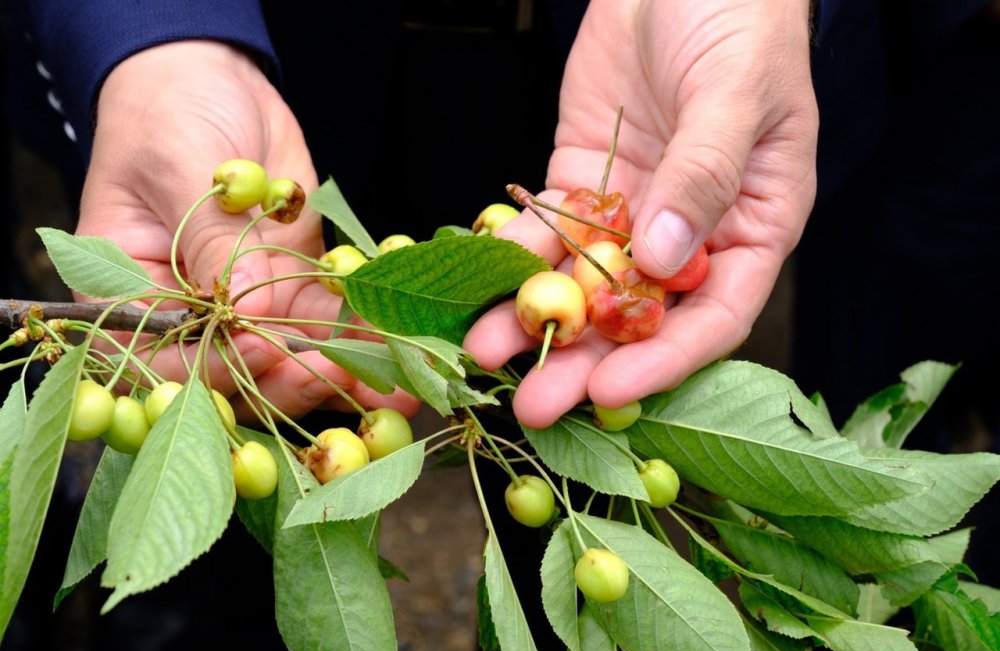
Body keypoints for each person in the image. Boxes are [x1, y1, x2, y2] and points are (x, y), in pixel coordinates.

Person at [9, 0, 819, 427]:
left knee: (576, 462)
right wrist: (156, 36)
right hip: (280, 81)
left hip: (618, 78)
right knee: (251, 403)